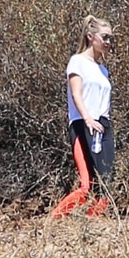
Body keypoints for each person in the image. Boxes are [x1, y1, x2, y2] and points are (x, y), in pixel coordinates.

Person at [51, 14, 115, 218]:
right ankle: (52, 221)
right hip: (82, 124)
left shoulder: (103, 70)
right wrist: (87, 118)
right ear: (90, 36)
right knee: (86, 184)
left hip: (103, 126)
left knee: (106, 185)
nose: (108, 42)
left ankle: (89, 223)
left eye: (111, 38)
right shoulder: (77, 62)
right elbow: (76, 93)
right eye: (104, 37)